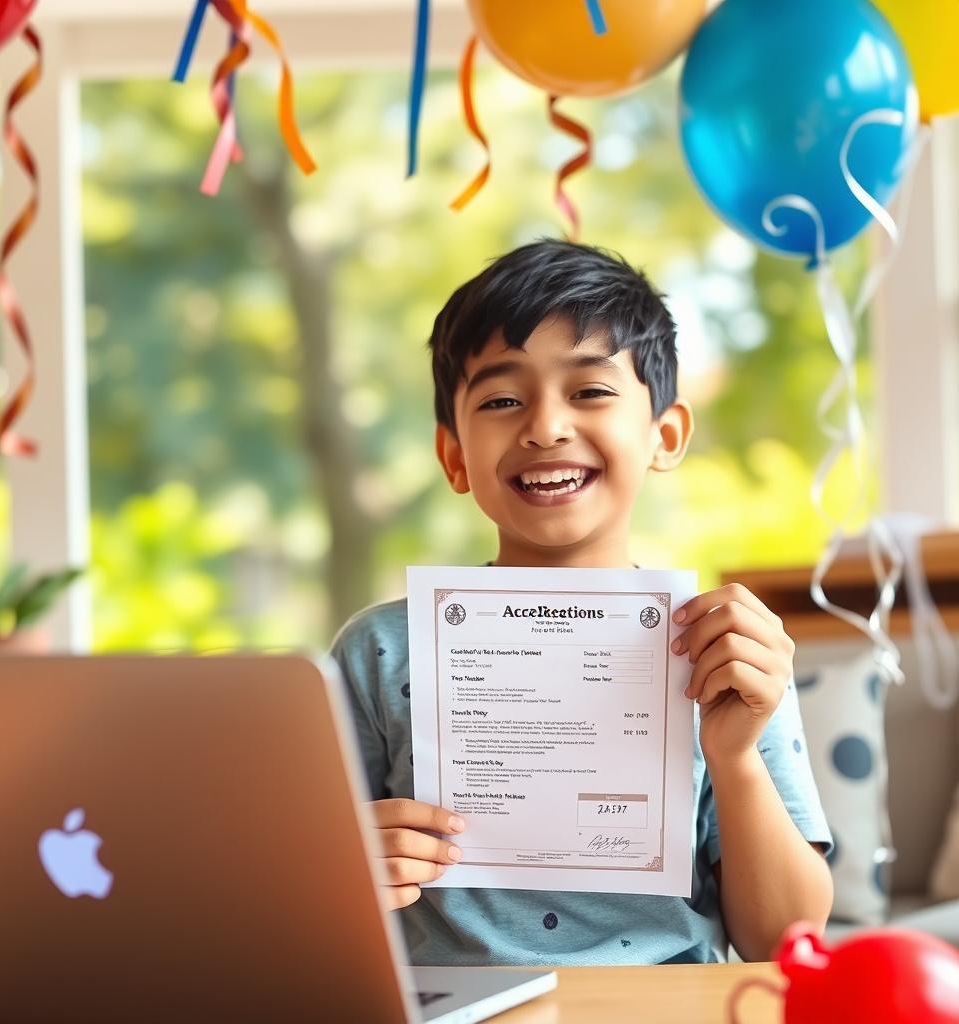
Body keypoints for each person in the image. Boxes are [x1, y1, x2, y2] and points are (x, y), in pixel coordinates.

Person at [330, 239, 833, 966]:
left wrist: (735, 757)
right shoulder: (380, 650)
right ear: (454, 457)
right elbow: (308, 900)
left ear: (665, 435)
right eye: (502, 400)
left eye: (590, 391)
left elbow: (784, 942)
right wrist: (351, 867)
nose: (544, 427)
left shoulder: (729, 650)